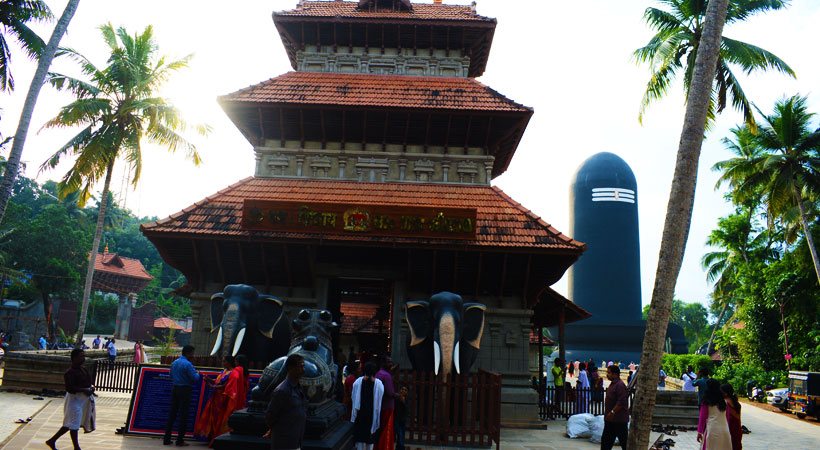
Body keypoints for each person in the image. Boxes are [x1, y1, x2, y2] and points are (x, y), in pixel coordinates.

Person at [45, 348, 96, 450]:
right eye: (81, 356)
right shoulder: (70, 372)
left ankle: (52, 440)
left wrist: (90, 388)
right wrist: (83, 390)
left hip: (83, 400)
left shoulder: (83, 369)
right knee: (74, 423)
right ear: (74, 358)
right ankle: (76, 447)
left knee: (70, 423)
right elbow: (69, 388)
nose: (83, 358)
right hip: (74, 400)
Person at [196, 355, 248, 446]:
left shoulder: (233, 372)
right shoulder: (224, 371)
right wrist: (209, 379)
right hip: (215, 398)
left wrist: (212, 386)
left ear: (230, 362)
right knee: (212, 417)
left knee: (218, 418)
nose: (223, 363)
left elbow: (225, 386)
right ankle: (211, 435)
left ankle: (217, 437)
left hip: (222, 399)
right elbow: (218, 381)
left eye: (224, 361)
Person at [266, 354, 308, 450]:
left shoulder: (298, 388)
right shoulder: (282, 390)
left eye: (303, 366)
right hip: (284, 442)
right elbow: (270, 416)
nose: (303, 370)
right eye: (300, 366)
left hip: (296, 440)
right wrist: (276, 429)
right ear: (291, 368)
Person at [164, 345, 201, 446]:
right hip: (185, 390)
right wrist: (198, 373)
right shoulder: (188, 365)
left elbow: (170, 376)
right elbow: (195, 378)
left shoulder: (174, 363)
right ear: (188, 353)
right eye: (192, 353)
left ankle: (166, 439)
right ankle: (180, 440)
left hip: (175, 389)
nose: (193, 355)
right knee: (183, 415)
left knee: (172, 414)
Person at [351, 361, 384, 450]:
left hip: (361, 413)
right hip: (371, 413)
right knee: (370, 437)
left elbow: (353, 397)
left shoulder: (358, 382)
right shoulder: (378, 384)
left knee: (361, 437)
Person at [697, 379, 732, 450]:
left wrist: (699, 432)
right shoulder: (724, 401)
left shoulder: (706, 401)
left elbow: (703, 417)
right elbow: (727, 417)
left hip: (712, 430)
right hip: (724, 430)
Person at [601, 365, 628, 450]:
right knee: (606, 442)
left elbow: (621, 402)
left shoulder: (619, 385)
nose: (607, 375)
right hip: (610, 420)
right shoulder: (613, 384)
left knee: (624, 442)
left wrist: (613, 412)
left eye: (609, 373)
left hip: (618, 420)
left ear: (615, 374)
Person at [374, 355, 395, 450]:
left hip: (379, 406)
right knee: (386, 431)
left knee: (380, 429)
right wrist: (399, 395)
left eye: (391, 362)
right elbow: (390, 393)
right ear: (383, 363)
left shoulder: (378, 374)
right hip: (387, 406)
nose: (391, 364)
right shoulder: (386, 376)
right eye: (389, 362)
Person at [721, 383, 742, 450]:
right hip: (737, 429)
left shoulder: (724, 403)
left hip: (729, 429)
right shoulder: (736, 403)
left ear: (725, 393)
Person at [394, 385, 409, 450]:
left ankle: (399, 447)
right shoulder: (397, 399)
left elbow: (406, 409)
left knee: (401, 433)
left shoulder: (407, 400)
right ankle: (401, 447)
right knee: (399, 433)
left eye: (405, 390)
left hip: (403, 419)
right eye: (402, 389)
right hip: (397, 418)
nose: (403, 391)